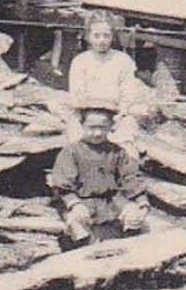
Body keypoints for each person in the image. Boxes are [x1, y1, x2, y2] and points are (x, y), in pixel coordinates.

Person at [48, 100, 150, 249]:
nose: (97, 133)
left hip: (110, 201)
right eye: (91, 128)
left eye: (103, 128)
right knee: (79, 224)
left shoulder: (117, 152)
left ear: (110, 127)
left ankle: (127, 251)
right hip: (81, 201)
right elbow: (62, 185)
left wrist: (142, 202)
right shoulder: (71, 151)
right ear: (82, 126)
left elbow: (130, 178)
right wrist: (74, 204)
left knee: (134, 217)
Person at [63, 10, 151, 152]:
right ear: (88, 37)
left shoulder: (123, 61)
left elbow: (128, 93)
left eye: (106, 35)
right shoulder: (80, 61)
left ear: (112, 36)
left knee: (126, 138)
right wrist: (86, 115)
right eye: (96, 36)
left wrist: (121, 113)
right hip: (88, 115)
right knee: (76, 138)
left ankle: (125, 170)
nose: (101, 40)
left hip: (116, 116)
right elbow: (77, 95)